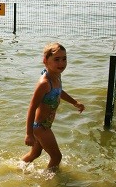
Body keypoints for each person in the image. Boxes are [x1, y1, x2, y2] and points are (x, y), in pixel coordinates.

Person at [22, 42, 85, 170]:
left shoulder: (56, 76)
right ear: (45, 60)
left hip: (45, 125)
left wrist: (74, 102)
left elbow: (59, 92)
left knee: (35, 153)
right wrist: (28, 134)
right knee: (57, 157)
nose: (61, 63)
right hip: (41, 127)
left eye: (64, 59)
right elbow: (32, 108)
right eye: (57, 59)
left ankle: (18, 167)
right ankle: (47, 181)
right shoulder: (44, 83)